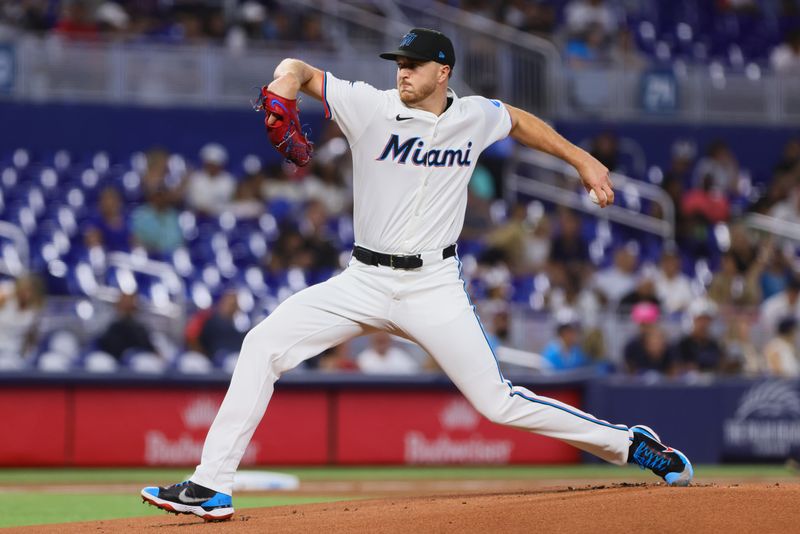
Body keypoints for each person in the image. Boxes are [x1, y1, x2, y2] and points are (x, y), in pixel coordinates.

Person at [141, 28, 692, 521]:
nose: (402, 71)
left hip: (433, 285)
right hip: (362, 280)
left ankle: (630, 444)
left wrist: (583, 161)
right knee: (262, 343)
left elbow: (519, 120)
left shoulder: (473, 116)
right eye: (398, 63)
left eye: (414, 63)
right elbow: (301, 70)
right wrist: (284, 84)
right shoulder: (369, 107)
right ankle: (210, 486)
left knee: (496, 402)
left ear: (442, 72)